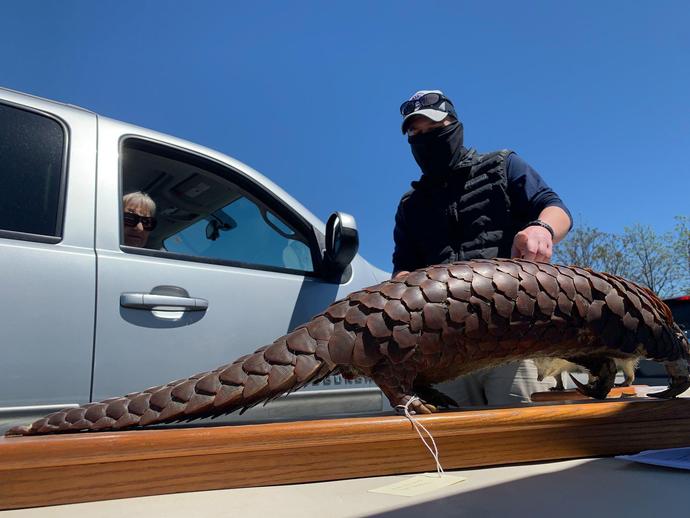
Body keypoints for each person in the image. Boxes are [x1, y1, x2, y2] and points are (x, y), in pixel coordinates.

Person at [393, 90, 573, 406]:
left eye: (434, 130)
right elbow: (404, 267)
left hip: (513, 338)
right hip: (444, 352)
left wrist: (541, 229)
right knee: (452, 444)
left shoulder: (503, 166)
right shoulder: (411, 206)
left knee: (526, 440)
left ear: (454, 126)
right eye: (415, 134)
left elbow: (554, 208)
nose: (425, 140)